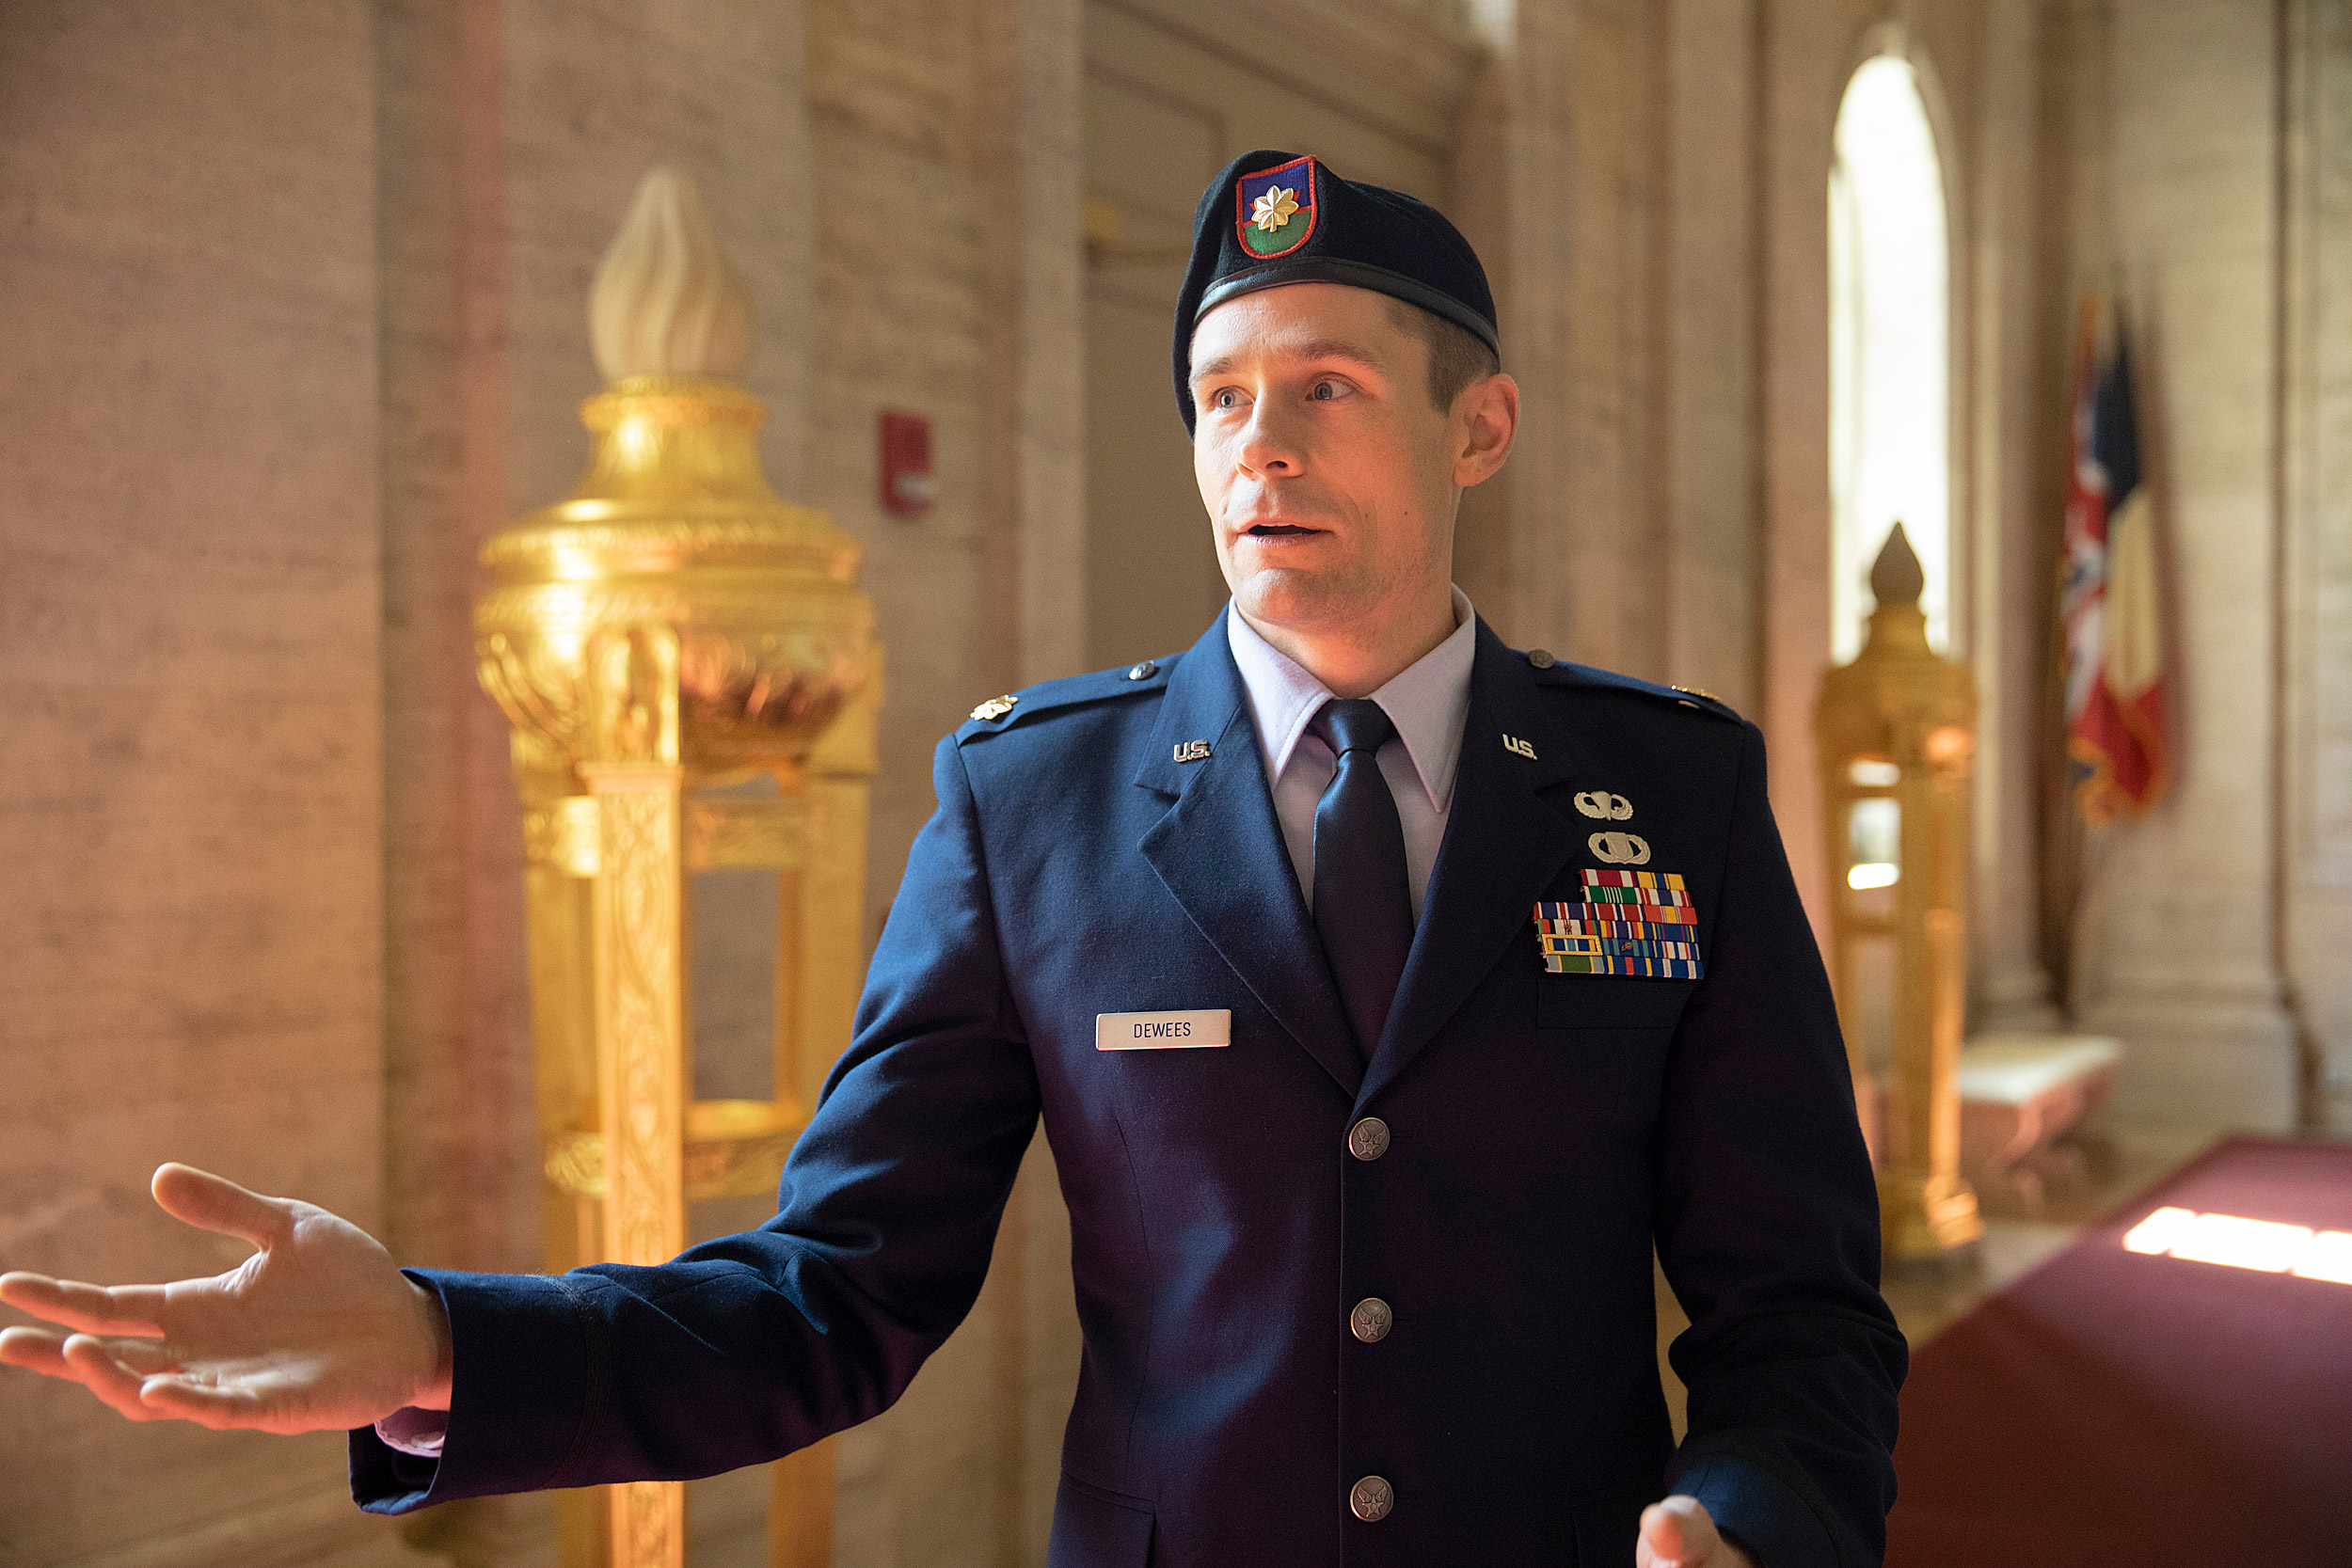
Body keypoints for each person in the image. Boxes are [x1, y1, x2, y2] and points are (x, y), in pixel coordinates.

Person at [0, 150, 1903, 1568]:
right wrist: (440, 1341)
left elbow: (1793, 1311)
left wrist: (1749, 1518)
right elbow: (840, 1294)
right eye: (1219, 396)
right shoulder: (1036, 806)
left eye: (1321, 386)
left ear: (1474, 426)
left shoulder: (1662, 795)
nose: (1259, 444)